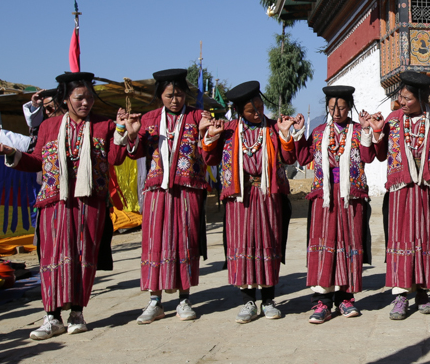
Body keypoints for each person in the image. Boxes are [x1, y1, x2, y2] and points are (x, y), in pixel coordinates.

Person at [0, 72, 133, 340]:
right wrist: (12, 153)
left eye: (90, 97)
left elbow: (115, 158)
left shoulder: (104, 125)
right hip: (54, 203)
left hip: (89, 202)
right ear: (66, 99)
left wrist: (122, 130)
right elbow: (35, 162)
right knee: (52, 258)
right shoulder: (49, 127)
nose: (85, 103)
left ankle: (77, 313)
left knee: (83, 258)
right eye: (80, 97)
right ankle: (51, 318)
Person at [365, 71, 430, 320]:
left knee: (427, 237)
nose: (403, 103)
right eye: (401, 98)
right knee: (401, 238)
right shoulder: (393, 119)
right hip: (402, 189)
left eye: (407, 99)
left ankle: (423, 292)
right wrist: (377, 132)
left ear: (420, 98)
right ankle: (400, 295)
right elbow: (382, 154)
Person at [201, 81, 297, 323]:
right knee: (242, 244)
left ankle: (268, 300)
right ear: (239, 111)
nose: (257, 111)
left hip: (267, 196)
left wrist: (286, 135)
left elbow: (288, 157)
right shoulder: (230, 129)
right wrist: (211, 137)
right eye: (250, 109)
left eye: (259, 106)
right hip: (240, 198)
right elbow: (210, 159)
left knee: (268, 242)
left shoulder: (274, 128)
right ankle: (248, 301)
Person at [125, 69, 211, 324]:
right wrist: (132, 133)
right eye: (170, 95)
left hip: (187, 190)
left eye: (180, 94)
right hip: (157, 192)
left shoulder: (197, 116)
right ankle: (155, 301)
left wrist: (206, 134)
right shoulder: (149, 119)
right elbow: (134, 152)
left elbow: (209, 153)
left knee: (186, 240)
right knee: (156, 243)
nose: (175, 100)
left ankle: (184, 298)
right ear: (160, 95)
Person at [295, 85, 375, 324]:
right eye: (332, 108)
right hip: (325, 198)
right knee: (324, 246)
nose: (337, 112)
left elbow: (368, 157)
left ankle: (345, 298)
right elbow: (303, 158)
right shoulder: (319, 132)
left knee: (350, 244)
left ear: (349, 106)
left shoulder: (359, 129)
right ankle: (321, 302)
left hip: (351, 197)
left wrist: (368, 131)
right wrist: (298, 133)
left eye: (341, 107)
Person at [0, 89, 61, 154]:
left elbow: (36, 146)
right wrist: (35, 106)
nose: (47, 112)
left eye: (50, 108)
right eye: (44, 109)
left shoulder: (68, 127)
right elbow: (37, 138)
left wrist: (2, 135)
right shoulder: (47, 126)